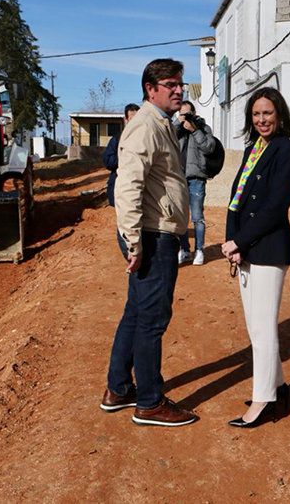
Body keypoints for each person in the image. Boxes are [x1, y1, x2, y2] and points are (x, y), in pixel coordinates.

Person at [100, 59, 198, 427]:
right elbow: (128, 187)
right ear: (150, 89)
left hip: (155, 232)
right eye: (170, 84)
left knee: (136, 313)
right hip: (152, 236)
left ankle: (119, 388)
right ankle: (150, 402)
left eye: (180, 84)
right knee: (152, 321)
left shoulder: (160, 124)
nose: (178, 90)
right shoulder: (145, 126)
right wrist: (134, 242)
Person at [221, 87, 290, 428]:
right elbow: (235, 197)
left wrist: (239, 239)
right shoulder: (254, 148)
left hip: (269, 249)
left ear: (280, 115)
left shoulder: (287, 152)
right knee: (257, 327)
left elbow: (273, 209)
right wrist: (232, 241)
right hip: (247, 248)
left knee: (264, 326)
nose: (262, 119)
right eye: (256, 114)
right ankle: (278, 386)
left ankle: (263, 400)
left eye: (267, 113)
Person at [175, 100, 219, 266]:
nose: (185, 117)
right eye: (182, 114)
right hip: (178, 177)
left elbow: (209, 147)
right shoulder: (176, 130)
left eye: (188, 114)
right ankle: (185, 250)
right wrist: (177, 124)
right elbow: (165, 139)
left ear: (194, 113)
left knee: (197, 217)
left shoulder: (203, 128)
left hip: (196, 177)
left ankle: (199, 250)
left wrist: (194, 131)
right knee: (181, 218)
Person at [104, 103, 140, 207]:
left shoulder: (147, 139)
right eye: (132, 119)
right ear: (126, 119)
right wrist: (126, 157)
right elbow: (108, 162)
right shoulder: (117, 140)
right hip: (121, 188)